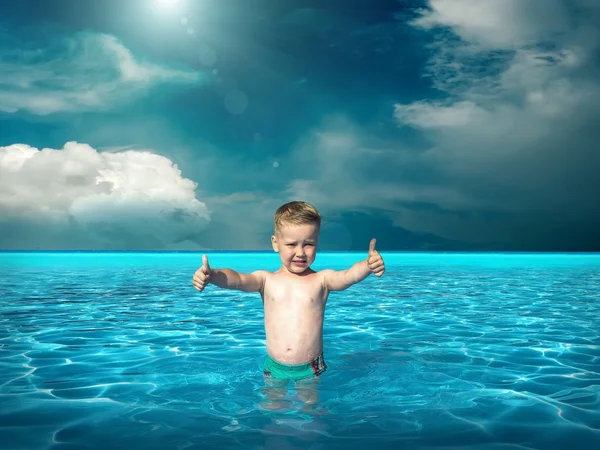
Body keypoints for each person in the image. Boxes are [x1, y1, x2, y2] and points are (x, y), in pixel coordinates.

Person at [191, 201, 385, 409]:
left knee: (311, 409)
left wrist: (367, 265)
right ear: (275, 243)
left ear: (317, 242)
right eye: (291, 244)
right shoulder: (266, 280)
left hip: (310, 367)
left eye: (308, 244)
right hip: (275, 366)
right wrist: (213, 275)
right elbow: (237, 279)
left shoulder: (322, 280)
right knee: (271, 407)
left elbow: (348, 276)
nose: (300, 252)